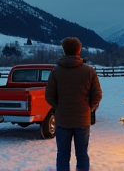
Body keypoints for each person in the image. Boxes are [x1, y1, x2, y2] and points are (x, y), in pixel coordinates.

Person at [45, 37, 102, 171]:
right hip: (82, 119)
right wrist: (89, 108)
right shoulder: (89, 71)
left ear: (64, 50)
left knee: (63, 155)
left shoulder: (56, 72)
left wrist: (58, 107)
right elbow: (97, 94)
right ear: (79, 50)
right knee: (82, 154)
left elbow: (49, 95)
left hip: (63, 120)